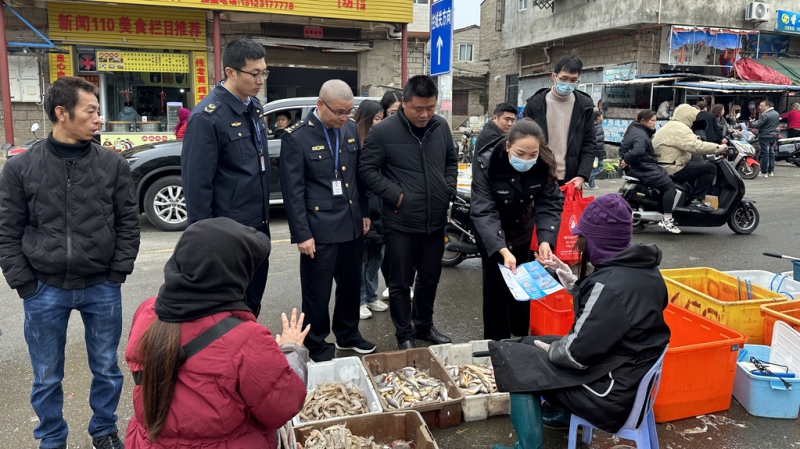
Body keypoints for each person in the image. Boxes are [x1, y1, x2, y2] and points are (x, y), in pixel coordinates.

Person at [0, 76, 141, 449]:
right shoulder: (21, 167)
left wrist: (117, 273)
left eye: (98, 110)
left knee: (107, 368)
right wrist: (25, 284)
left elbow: (128, 223)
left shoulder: (112, 165)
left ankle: (104, 430)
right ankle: (51, 438)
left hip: (101, 286)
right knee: (46, 375)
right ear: (62, 113)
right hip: (44, 288)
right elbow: (7, 230)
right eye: (90, 110)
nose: (99, 118)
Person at [488, 194, 670, 449]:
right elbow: (613, 313)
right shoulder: (645, 270)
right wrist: (569, 276)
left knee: (518, 361)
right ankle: (563, 414)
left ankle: (527, 447)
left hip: (608, 396)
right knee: (530, 342)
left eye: (583, 237)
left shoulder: (608, 286)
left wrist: (550, 350)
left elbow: (574, 356)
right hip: (628, 372)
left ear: (596, 241)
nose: (580, 243)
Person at [124, 218, 308, 448]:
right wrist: (291, 351)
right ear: (233, 275)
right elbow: (282, 407)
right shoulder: (245, 337)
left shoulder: (148, 311)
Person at [359, 74, 458, 350]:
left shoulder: (441, 127)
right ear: (404, 102)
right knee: (400, 283)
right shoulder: (384, 131)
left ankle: (424, 326)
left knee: (430, 278)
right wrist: (397, 195)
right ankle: (404, 334)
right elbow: (367, 171)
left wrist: (447, 188)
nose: (425, 114)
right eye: (418, 108)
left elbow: (451, 160)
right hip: (400, 222)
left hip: (435, 221)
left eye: (430, 108)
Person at [279, 79, 375, 362]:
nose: (344, 118)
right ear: (320, 105)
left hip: (351, 223)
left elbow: (357, 177)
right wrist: (302, 234)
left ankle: (348, 334)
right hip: (318, 229)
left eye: (349, 112)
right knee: (317, 293)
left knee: (350, 286)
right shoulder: (296, 137)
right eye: (339, 112)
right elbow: (293, 192)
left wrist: (365, 212)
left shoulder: (347, 129)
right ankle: (318, 343)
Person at [181, 38, 271, 317]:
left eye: (264, 72)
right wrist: (204, 243)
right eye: (254, 74)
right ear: (231, 73)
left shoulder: (253, 108)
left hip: (258, 228)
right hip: (227, 236)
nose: (261, 80)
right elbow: (197, 186)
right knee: (228, 309)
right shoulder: (207, 118)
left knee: (252, 302)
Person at [470, 119, 563, 341]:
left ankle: (522, 336)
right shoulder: (487, 164)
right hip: (492, 233)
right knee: (496, 291)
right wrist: (501, 249)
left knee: (524, 286)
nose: (527, 160)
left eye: (533, 154)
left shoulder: (544, 164)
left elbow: (550, 204)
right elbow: (483, 211)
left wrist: (545, 241)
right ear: (508, 145)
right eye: (520, 153)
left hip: (522, 230)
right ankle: (496, 342)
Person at [522, 55, 595, 189]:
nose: (568, 84)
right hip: (539, 176)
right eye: (564, 79)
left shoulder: (585, 106)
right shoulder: (535, 105)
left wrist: (582, 175)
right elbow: (523, 140)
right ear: (554, 76)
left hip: (571, 180)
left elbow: (589, 144)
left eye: (573, 80)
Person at [352, 100, 389, 320]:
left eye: (382, 118)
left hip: (381, 209)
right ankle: (359, 299)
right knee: (362, 258)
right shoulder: (356, 143)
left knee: (377, 256)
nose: (380, 123)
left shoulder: (382, 142)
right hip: (363, 208)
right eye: (376, 119)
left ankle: (372, 296)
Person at [619, 110, 684, 233]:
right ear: (643, 120)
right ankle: (667, 218)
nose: (654, 123)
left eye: (655, 120)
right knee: (669, 187)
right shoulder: (641, 134)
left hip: (639, 167)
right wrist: (626, 160)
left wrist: (626, 160)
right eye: (652, 121)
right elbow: (638, 151)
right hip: (643, 168)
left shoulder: (636, 130)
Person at [653, 104, 727, 209]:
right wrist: (719, 148)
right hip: (673, 168)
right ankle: (695, 200)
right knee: (710, 169)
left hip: (664, 165)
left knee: (695, 166)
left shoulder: (669, 126)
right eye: (693, 117)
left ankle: (688, 196)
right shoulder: (681, 129)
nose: (694, 120)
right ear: (688, 116)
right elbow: (697, 146)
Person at [749, 100, 780, 178]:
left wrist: (751, 123)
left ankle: (764, 172)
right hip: (773, 136)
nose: (760, 107)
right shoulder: (776, 113)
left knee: (765, 154)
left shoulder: (765, 115)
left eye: (761, 106)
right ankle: (771, 171)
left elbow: (758, 125)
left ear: (767, 106)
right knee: (771, 153)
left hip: (764, 136)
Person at [586, 110, 605, 190]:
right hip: (597, 151)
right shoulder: (598, 126)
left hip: (590, 150)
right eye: (601, 116)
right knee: (600, 167)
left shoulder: (589, 124)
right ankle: (586, 178)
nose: (602, 117)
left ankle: (591, 185)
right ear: (598, 118)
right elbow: (598, 140)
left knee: (593, 167)